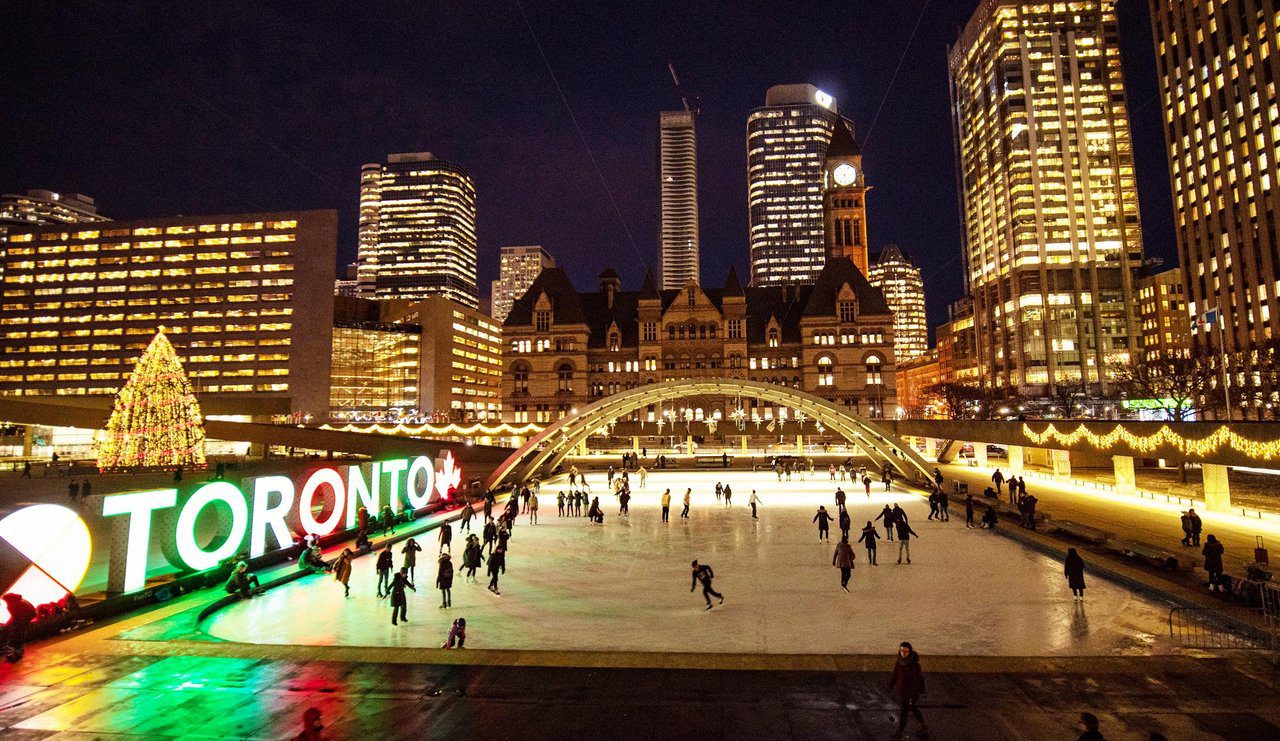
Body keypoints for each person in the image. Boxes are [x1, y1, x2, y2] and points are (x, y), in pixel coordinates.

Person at [889, 642, 928, 739]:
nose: (903, 653)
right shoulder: (899, 661)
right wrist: (891, 685)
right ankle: (924, 727)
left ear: (910, 652)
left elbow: (916, 682)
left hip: (910, 693)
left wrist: (912, 696)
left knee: (903, 713)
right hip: (903, 691)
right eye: (902, 650)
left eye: (905, 651)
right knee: (913, 708)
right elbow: (895, 674)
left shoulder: (914, 666)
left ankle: (900, 733)